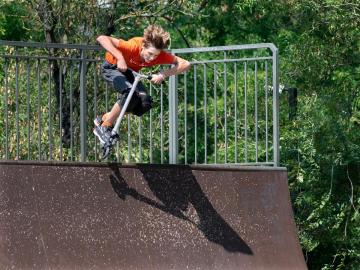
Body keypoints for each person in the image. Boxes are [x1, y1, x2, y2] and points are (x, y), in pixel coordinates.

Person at [94, 25, 191, 145]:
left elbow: (185, 64)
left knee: (145, 103)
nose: (151, 58)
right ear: (143, 46)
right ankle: (104, 127)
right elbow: (102, 38)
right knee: (130, 93)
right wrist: (120, 58)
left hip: (129, 72)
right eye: (149, 54)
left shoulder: (160, 55)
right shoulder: (132, 46)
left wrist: (163, 75)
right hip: (112, 67)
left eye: (155, 56)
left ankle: (105, 118)